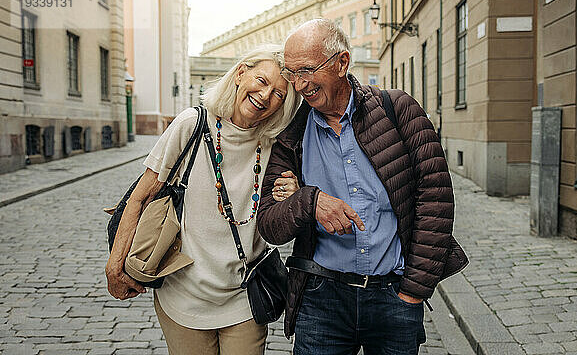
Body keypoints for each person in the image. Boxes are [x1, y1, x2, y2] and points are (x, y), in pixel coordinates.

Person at [257, 19, 468, 355]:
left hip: (394, 297)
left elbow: (436, 200)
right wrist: (310, 201)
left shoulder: (398, 109)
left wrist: (414, 290)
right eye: (292, 72)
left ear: (342, 63)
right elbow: (270, 225)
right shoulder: (291, 136)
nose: (299, 84)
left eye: (308, 70)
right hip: (321, 299)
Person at [105, 45, 302, 355]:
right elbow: (140, 198)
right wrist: (115, 268)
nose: (266, 95)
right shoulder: (191, 124)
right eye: (262, 81)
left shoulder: (276, 144)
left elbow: (282, 215)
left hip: (244, 297)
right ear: (240, 73)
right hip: (184, 295)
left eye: (279, 93)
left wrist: (290, 193)